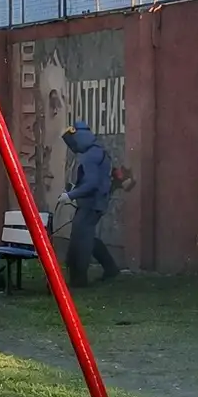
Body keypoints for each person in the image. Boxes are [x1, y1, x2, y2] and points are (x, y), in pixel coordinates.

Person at [57, 120, 122, 287]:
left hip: (91, 204)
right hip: (95, 203)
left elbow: (91, 183)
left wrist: (70, 195)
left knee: (80, 241)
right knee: (86, 237)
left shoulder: (89, 155)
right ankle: (111, 268)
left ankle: (79, 280)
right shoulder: (95, 151)